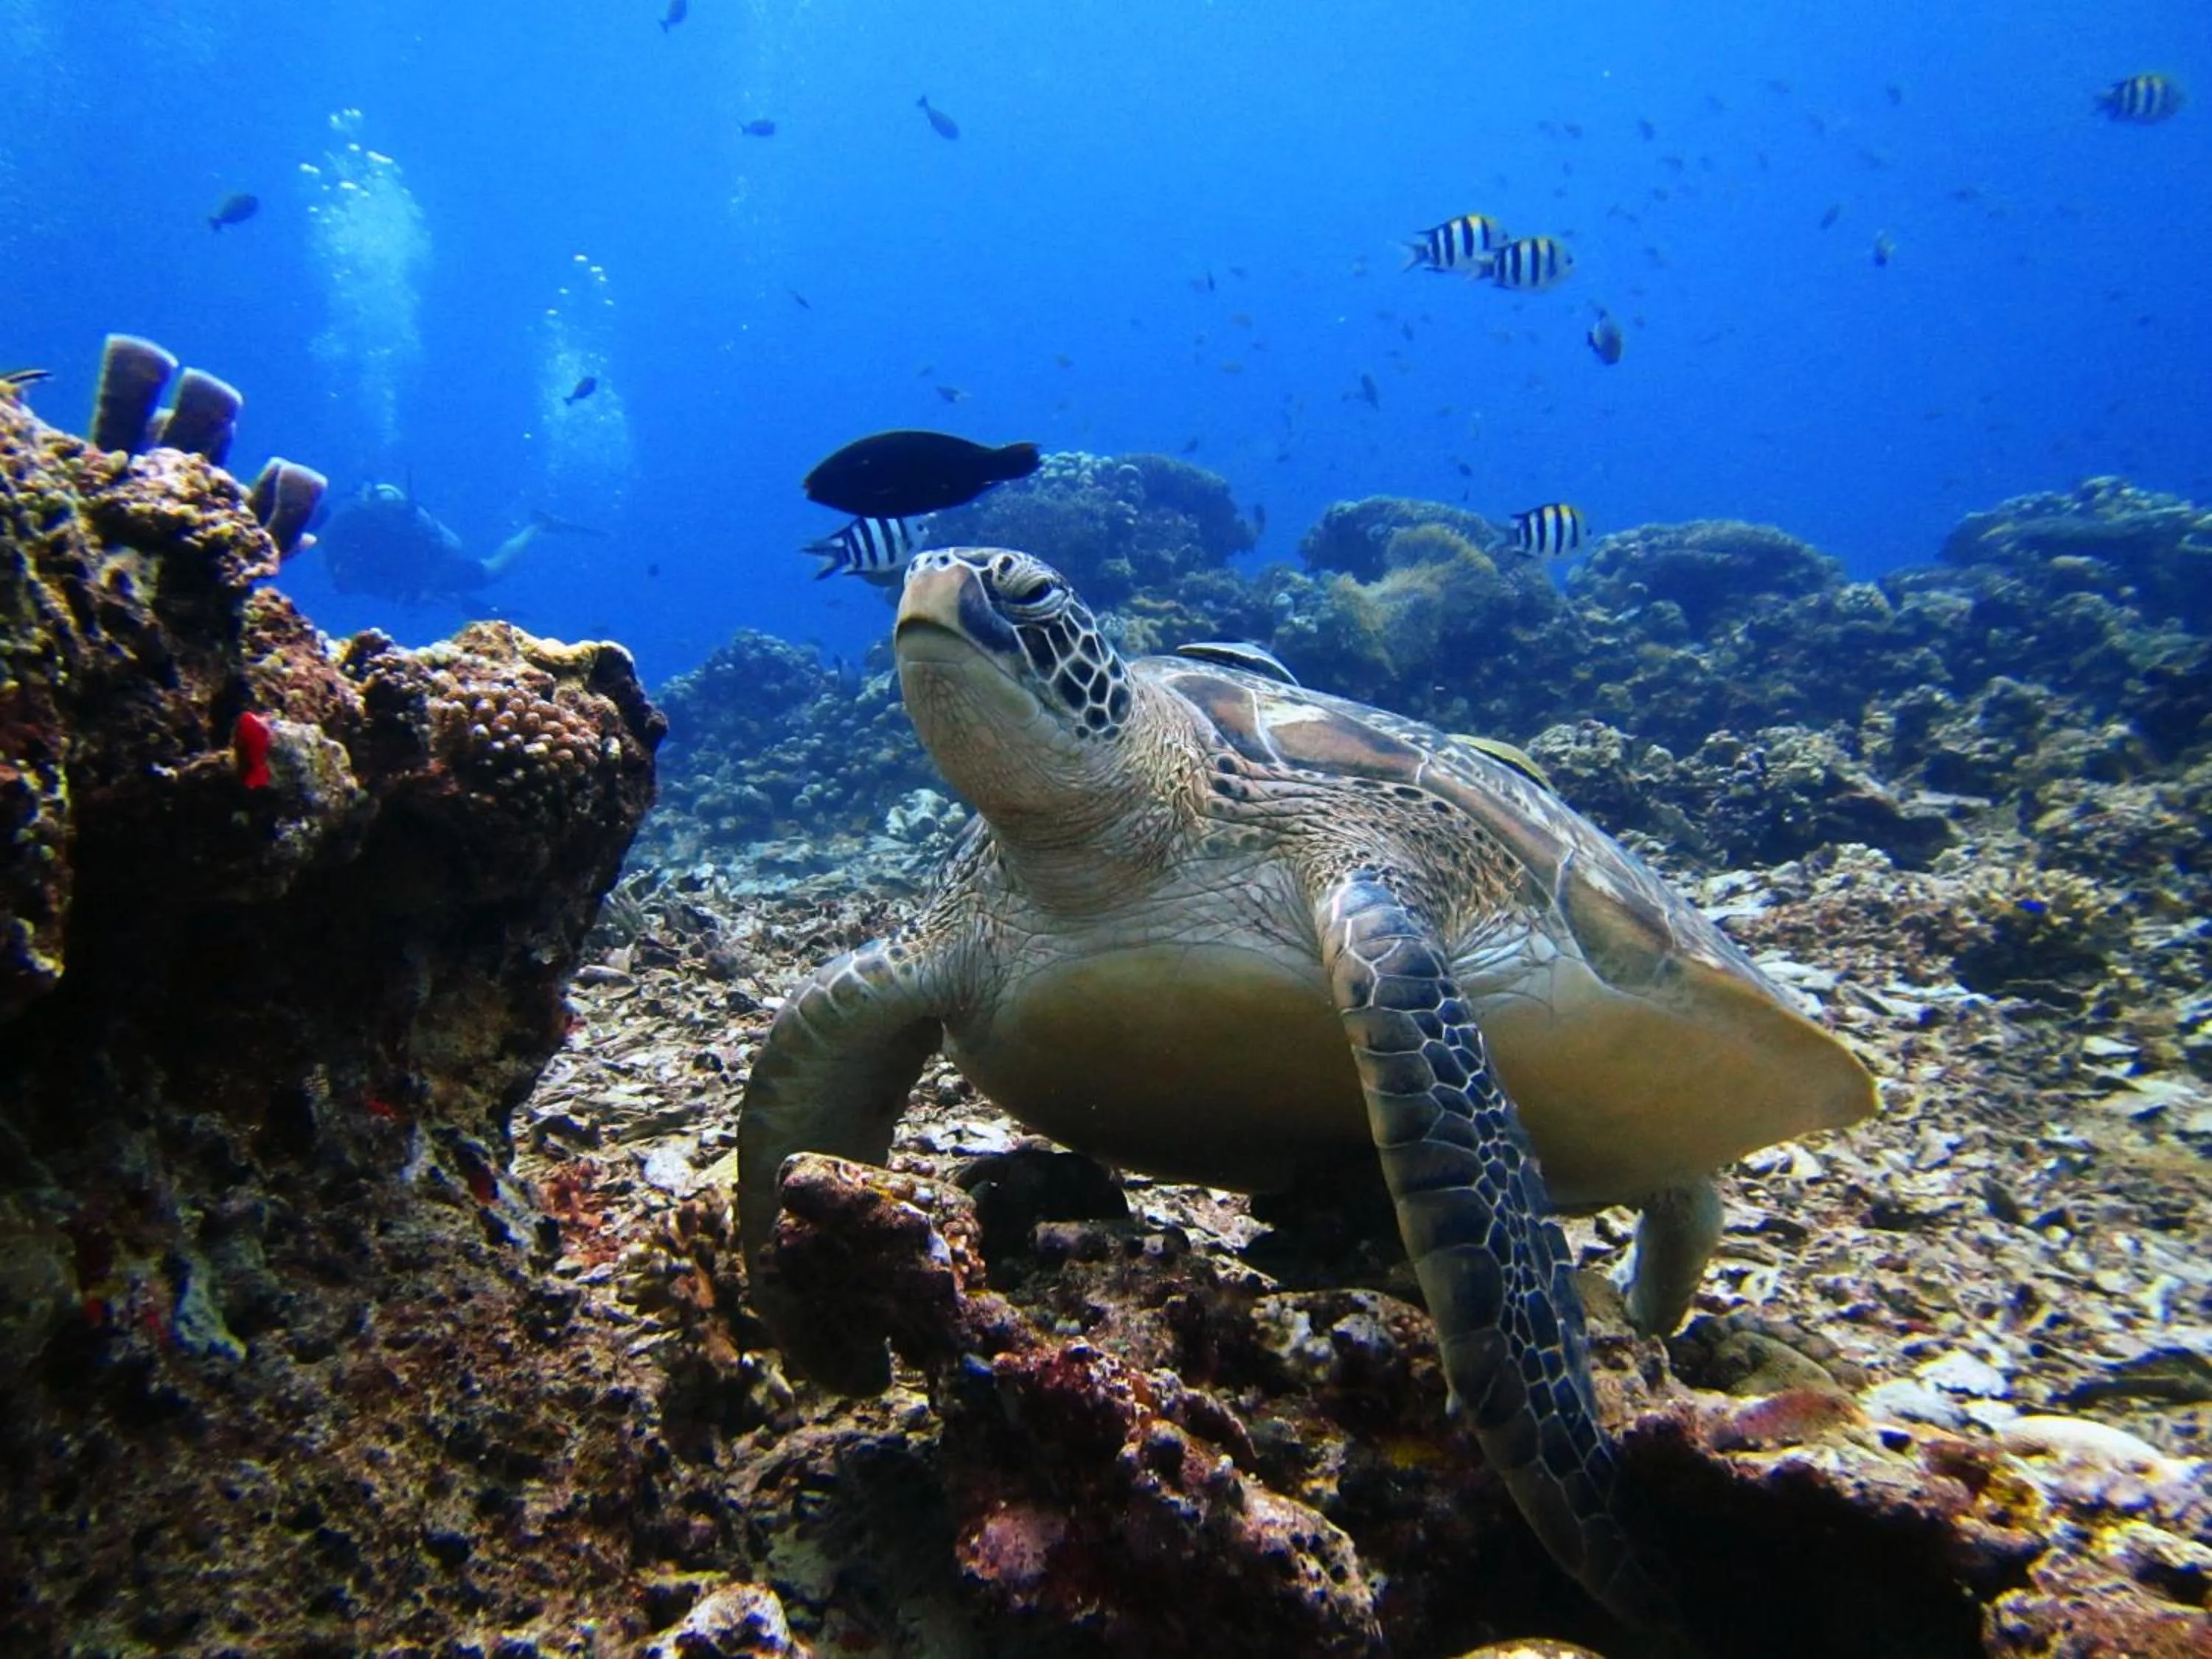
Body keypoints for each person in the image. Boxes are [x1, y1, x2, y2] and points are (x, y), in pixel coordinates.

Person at [317, 482, 585, 604]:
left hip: (425, 571)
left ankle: (537, 526)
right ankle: (537, 526)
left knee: (492, 570)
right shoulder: (354, 527)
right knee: (493, 569)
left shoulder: (348, 524)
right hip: (424, 572)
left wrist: (425, 584)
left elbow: (447, 548)